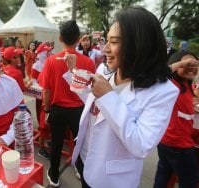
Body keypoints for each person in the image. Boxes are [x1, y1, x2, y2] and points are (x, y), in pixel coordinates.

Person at [70, 6, 179, 188]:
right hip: (85, 160)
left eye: (113, 42)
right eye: (107, 40)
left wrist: (108, 96)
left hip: (111, 179)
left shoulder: (163, 91)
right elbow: (97, 111)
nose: (105, 49)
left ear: (138, 45)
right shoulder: (105, 71)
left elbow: (141, 145)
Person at [41, 20, 96, 187]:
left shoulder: (51, 61)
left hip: (57, 110)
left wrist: (47, 109)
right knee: (81, 143)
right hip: (79, 110)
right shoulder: (88, 62)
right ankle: (80, 169)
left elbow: (46, 90)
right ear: (78, 39)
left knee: (56, 144)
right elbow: (92, 90)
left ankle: (55, 175)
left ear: (59, 38)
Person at [153, 50, 199, 188]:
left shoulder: (187, 86)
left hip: (170, 142)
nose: (190, 67)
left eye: (194, 64)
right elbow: (159, 74)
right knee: (190, 180)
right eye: (186, 64)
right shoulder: (171, 85)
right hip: (178, 145)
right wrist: (183, 63)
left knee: (164, 176)